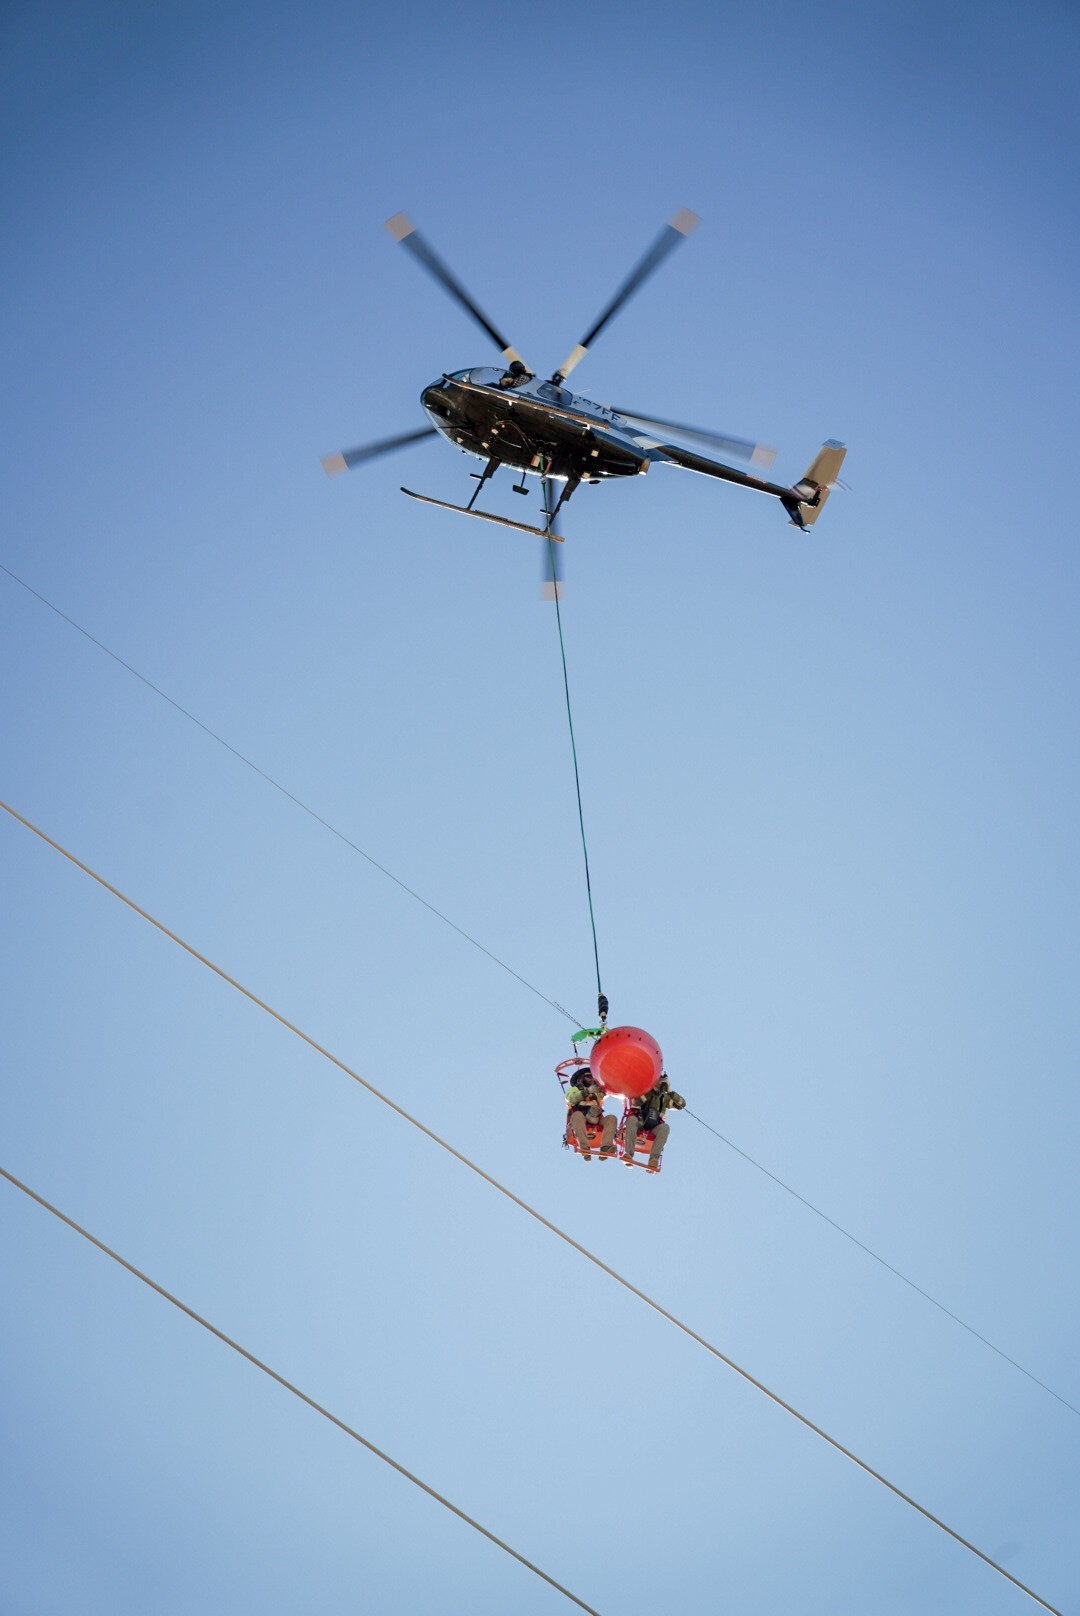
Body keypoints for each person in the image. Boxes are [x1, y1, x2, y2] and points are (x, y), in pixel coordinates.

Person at [622, 1073, 685, 1172]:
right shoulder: (643, 1090)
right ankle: (629, 1154)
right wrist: (650, 1089)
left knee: (665, 1128)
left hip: (653, 1126)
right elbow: (637, 1101)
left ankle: (653, 1159)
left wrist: (670, 1091)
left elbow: (681, 1104)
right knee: (631, 1119)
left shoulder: (664, 1098)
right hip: (639, 1121)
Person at [565, 1070, 616, 1162]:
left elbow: (609, 1091)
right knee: (578, 1115)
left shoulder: (597, 1093)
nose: (591, 1079)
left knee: (611, 1118)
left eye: (592, 1077)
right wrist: (587, 1091)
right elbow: (571, 1099)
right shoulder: (574, 1090)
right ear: (581, 1078)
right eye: (588, 1076)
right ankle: (584, 1148)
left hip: (595, 1117)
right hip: (581, 1117)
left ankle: (606, 1148)